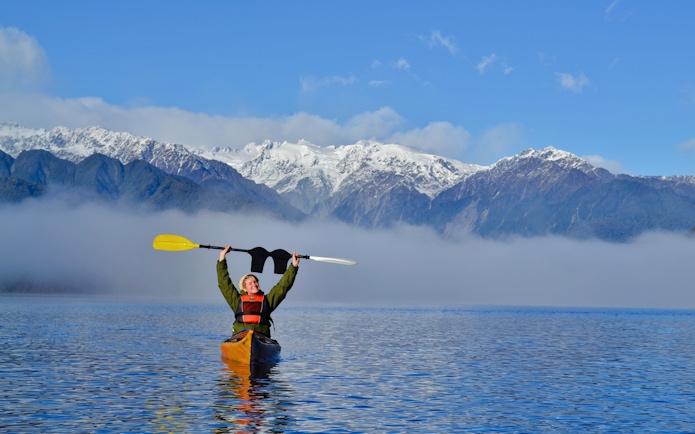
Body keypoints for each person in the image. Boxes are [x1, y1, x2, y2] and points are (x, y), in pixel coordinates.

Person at [217, 245, 300, 338]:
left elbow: (283, 286)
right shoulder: (236, 300)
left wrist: (293, 266)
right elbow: (224, 284)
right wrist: (222, 258)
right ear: (244, 289)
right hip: (241, 336)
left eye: (255, 281)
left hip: (261, 336)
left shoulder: (267, 301)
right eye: (250, 283)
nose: (254, 284)